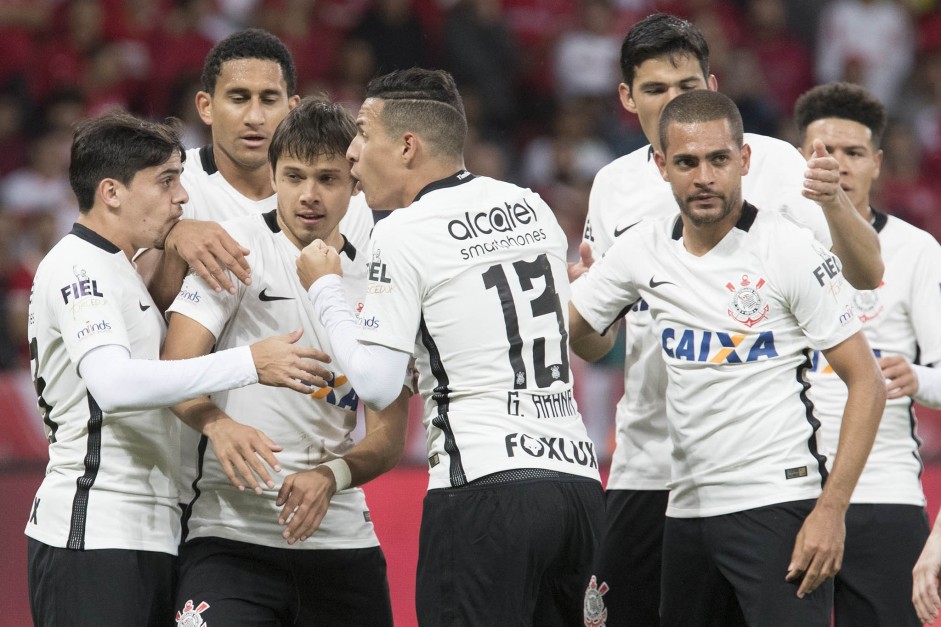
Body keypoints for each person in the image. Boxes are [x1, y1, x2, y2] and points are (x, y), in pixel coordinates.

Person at [572, 13, 885, 626]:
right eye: (656, 90)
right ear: (626, 97)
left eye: (687, 86)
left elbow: (868, 272)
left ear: (712, 83)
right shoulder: (612, 186)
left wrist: (838, 206)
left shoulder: (773, 163)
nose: (672, 103)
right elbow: (592, 339)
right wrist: (590, 300)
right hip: (651, 455)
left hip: (761, 464)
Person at [297, 68, 605, 626]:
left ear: (408, 146)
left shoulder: (403, 232)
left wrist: (323, 286)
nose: (351, 153)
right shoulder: (531, 205)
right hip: (578, 486)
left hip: (485, 490)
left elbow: (376, 382)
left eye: (363, 134)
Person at [24, 112, 330, 627]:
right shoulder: (79, 268)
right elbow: (114, 384)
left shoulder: (117, 267)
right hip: (93, 530)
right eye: (166, 181)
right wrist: (249, 363)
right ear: (112, 192)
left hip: (149, 532)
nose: (182, 197)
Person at [162, 97, 407, 626]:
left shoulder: (385, 275)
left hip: (341, 540)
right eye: (294, 176)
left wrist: (331, 476)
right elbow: (173, 368)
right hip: (231, 536)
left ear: (355, 183)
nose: (309, 195)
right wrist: (219, 424)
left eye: (328, 178)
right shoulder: (238, 248)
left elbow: (388, 437)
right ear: (272, 174)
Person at [795, 81, 941, 627]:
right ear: (799, 157)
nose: (837, 164)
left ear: (877, 162)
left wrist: (917, 379)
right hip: (783, 490)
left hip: (884, 493)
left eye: (853, 152)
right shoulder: (772, 245)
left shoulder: (916, 251)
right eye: (822, 151)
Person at [140, 28, 374, 310]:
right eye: (238, 98)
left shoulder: (349, 203)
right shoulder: (169, 185)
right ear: (206, 106)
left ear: (291, 108)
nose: (254, 117)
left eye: (268, 99)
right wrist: (175, 245)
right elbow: (143, 310)